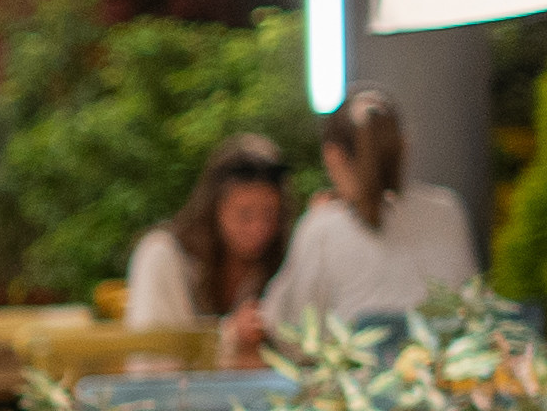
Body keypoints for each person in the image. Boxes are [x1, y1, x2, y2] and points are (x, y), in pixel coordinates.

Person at [259, 90, 475, 332]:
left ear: (333, 156)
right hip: (439, 367)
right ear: (404, 146)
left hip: (356, 367)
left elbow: (291, 329)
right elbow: (471, 308)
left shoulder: (322, 228)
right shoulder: (447, 210)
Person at [126, 134, 291, 350]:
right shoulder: (162, 255)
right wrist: (229, 335)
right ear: (214, 209)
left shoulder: (273, 264)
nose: (258, 228)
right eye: (245, 215)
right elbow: (153, 352)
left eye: (269, 215)